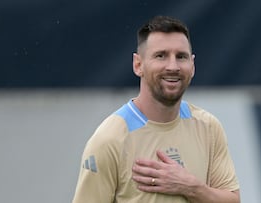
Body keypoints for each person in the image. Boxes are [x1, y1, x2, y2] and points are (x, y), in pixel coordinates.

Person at [72, 15, 240, 203]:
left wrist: (190, 187)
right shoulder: (109, 140)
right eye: (161, 56)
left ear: (192, 66)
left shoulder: (208, 127)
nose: (173, 66)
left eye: (181, 57)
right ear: (138, 65)